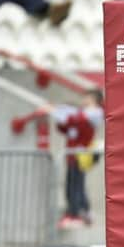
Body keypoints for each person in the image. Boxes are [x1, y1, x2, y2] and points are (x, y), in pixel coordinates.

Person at [50, 89, 104, 229]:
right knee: (74, 184)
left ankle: (75, 214)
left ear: (92, 98)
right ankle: (81, 211)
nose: (83, 100)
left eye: (86, 98)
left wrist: (60, 112)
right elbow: (66, 127)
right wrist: (61, 118)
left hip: (81, 155)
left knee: (75, 185)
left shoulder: (95, 112)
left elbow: (77, 120)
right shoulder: (81, 113)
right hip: (72, 155)